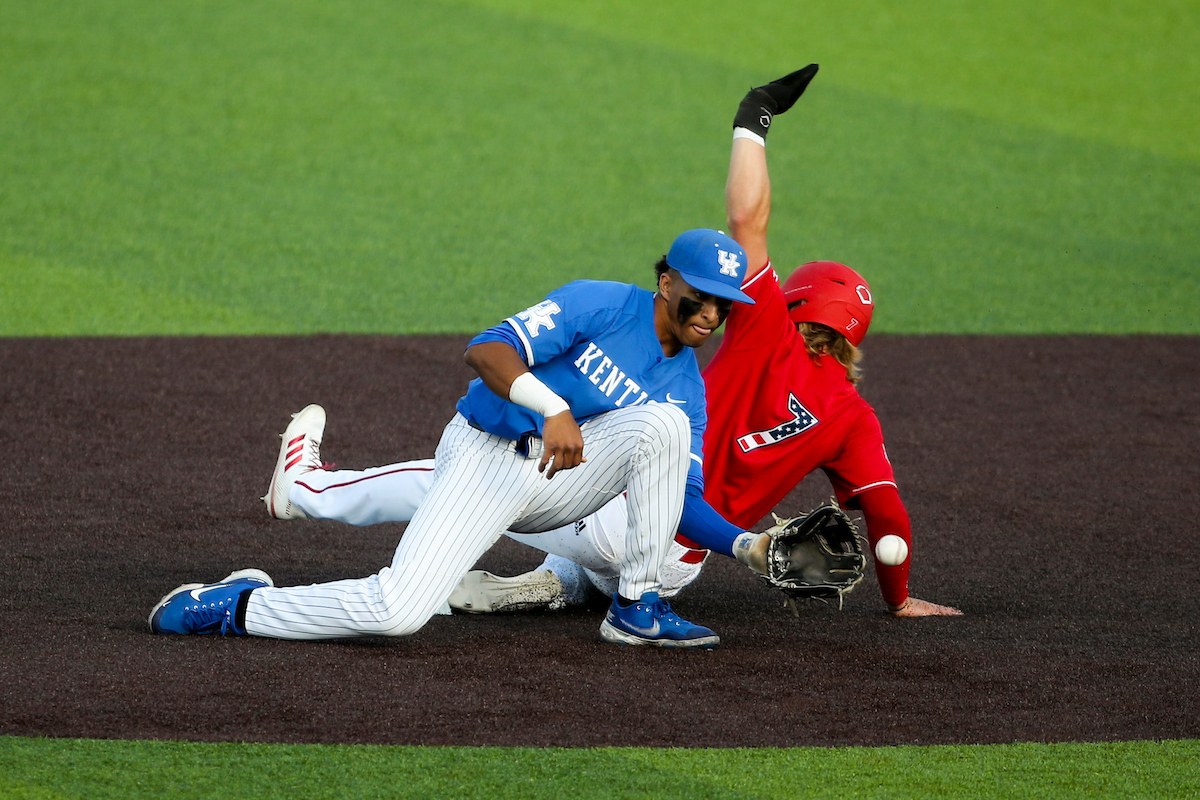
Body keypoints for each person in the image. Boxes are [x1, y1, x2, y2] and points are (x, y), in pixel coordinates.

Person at [274, 67, 961, 618]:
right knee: (619, 491)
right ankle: (563, 583)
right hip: (677, 565)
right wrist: (900, 599)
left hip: (620, 520)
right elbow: (888, 516)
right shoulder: (855, 420)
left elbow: (746, 217)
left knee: (463, 478)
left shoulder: (766, 330)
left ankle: (309, 488)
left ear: (795, 302)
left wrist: (754, 116)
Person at [148, 227, 760, 648]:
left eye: (723, 305)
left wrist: (747, 546)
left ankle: (636, 607)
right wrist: (552, 408)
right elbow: (487, 349)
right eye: (699, 297)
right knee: (397, 611)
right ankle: (238, 604)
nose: (710, 314)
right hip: (489, 455)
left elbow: (679, 497)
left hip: (563, 489)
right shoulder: (600, 305)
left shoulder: (688, 389)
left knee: (664, 424)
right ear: (666, 283)